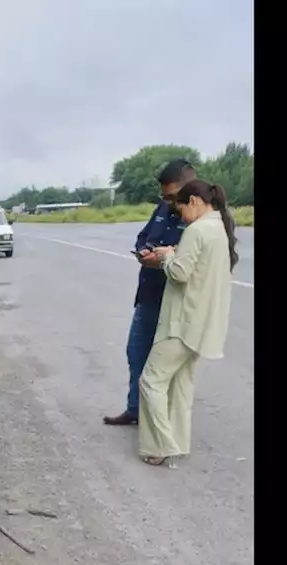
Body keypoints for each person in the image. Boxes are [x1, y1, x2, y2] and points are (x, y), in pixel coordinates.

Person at [135, 179, 238, 466]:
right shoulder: (219, 229)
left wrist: (167, 257)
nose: (180, 216)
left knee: (151, 382)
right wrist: (174, 253)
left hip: (182, 322)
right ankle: (177, 444)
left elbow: (180, 273)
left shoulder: (197, 230)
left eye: (181, 209)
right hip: (203, 323)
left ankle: (162, 444)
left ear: (193, 201)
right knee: (180, 386)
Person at [102, 158, 197, 427]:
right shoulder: (163, 208)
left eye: (170, 195)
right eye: (164, 196)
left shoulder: (201, 218)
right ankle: (135, 410)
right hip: (149, 296)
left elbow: (199, 257)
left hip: (175, 303)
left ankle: (163, 421)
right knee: (136, 354)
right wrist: (145, 250)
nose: (166, 201)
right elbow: (144, 237)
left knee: (166, 368)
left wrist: (166, 257)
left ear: (187, 188)